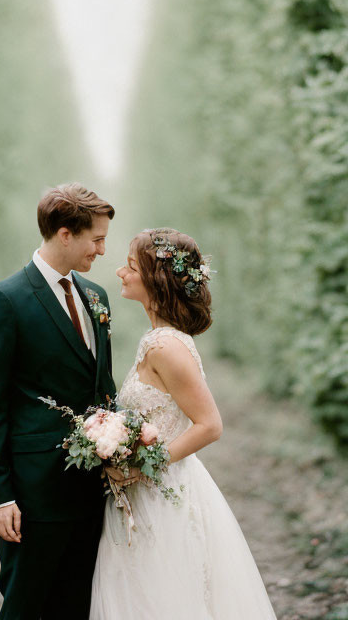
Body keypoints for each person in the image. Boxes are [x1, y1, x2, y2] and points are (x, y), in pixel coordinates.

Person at [90, 227, 278, 620]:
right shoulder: (156, 338)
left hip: (162, 494)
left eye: (130, 267)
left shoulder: (167, 347)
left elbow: (209, 425)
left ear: (156, 280)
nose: (121, 275)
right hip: (142, 494)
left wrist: (143, 465)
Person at [0, 183, 117, 620]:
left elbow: (102, 388)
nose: (103, 250)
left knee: (78, 607)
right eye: (97, 239)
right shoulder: (5, 301)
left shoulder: (97, 297)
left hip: (93, 491)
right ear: (66, 234)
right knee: (26, 606)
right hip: (34, 496)